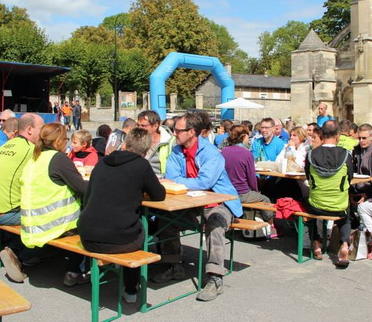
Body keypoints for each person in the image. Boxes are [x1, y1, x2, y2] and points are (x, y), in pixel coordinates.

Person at [157, 113, 243, 302]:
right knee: (165, 219)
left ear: (191, 132)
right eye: (173, 130)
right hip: (190, 204)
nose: (174, 134)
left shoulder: (211, 153)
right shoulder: (176, 151)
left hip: (219, 202)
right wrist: (179, 181)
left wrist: (177, 181)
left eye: (178, 130)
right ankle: (173, 265)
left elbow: (205, 182)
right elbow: (171, 175)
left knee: (215, 223)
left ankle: (215, 277)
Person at [78, 128, 166, 304]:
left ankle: (78, 270)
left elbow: (88, 198)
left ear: (125, 144)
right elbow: (159, 195)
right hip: (119, 238)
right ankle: (131, 289)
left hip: (87, 234)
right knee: (140, 230)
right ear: (147, 151)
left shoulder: (102, 163)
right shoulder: (142, 165)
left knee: (122, 224)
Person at [18, 122, 88, 286]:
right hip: (54, 223)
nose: (67, 143)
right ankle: (75, 271)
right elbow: (83, 188)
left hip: (32, 223)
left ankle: (24, 255)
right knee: (88, 221)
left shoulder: (35, 158)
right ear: (58, 142)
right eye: (65, 139)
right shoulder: (58, 159)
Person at [0, 114, 45, 283]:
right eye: (41, 128)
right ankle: (18, 253)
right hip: (6, 213)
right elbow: (43, 181)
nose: (44, 132)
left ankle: (23, 251)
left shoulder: (6, 144)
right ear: (30, 129)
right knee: (51, 218)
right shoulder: (30, 149)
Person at [305, 121, 353, 268]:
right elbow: (350, 178)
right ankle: (344, 244)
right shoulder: (345, 155)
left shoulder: (311, 155)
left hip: (317, 204)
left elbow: (308, 177)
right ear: (337, 136)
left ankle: (316, 243)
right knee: (346, 215)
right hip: (338, 204)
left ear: (322, 135)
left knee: (307, 205)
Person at [221, 125, 274, 223]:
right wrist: (256, 190)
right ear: (243, 137)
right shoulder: (246, 154)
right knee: (265, 199)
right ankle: (272, 224)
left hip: (226, 191)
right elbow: (251, 178)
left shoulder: (224, 151)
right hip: (242, 192)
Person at [137, 110, 174, 178]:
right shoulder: (136, 140)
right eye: (138, 125)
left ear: (155, 125)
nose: (139, 128)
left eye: (143, 126)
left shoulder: (170, 142)